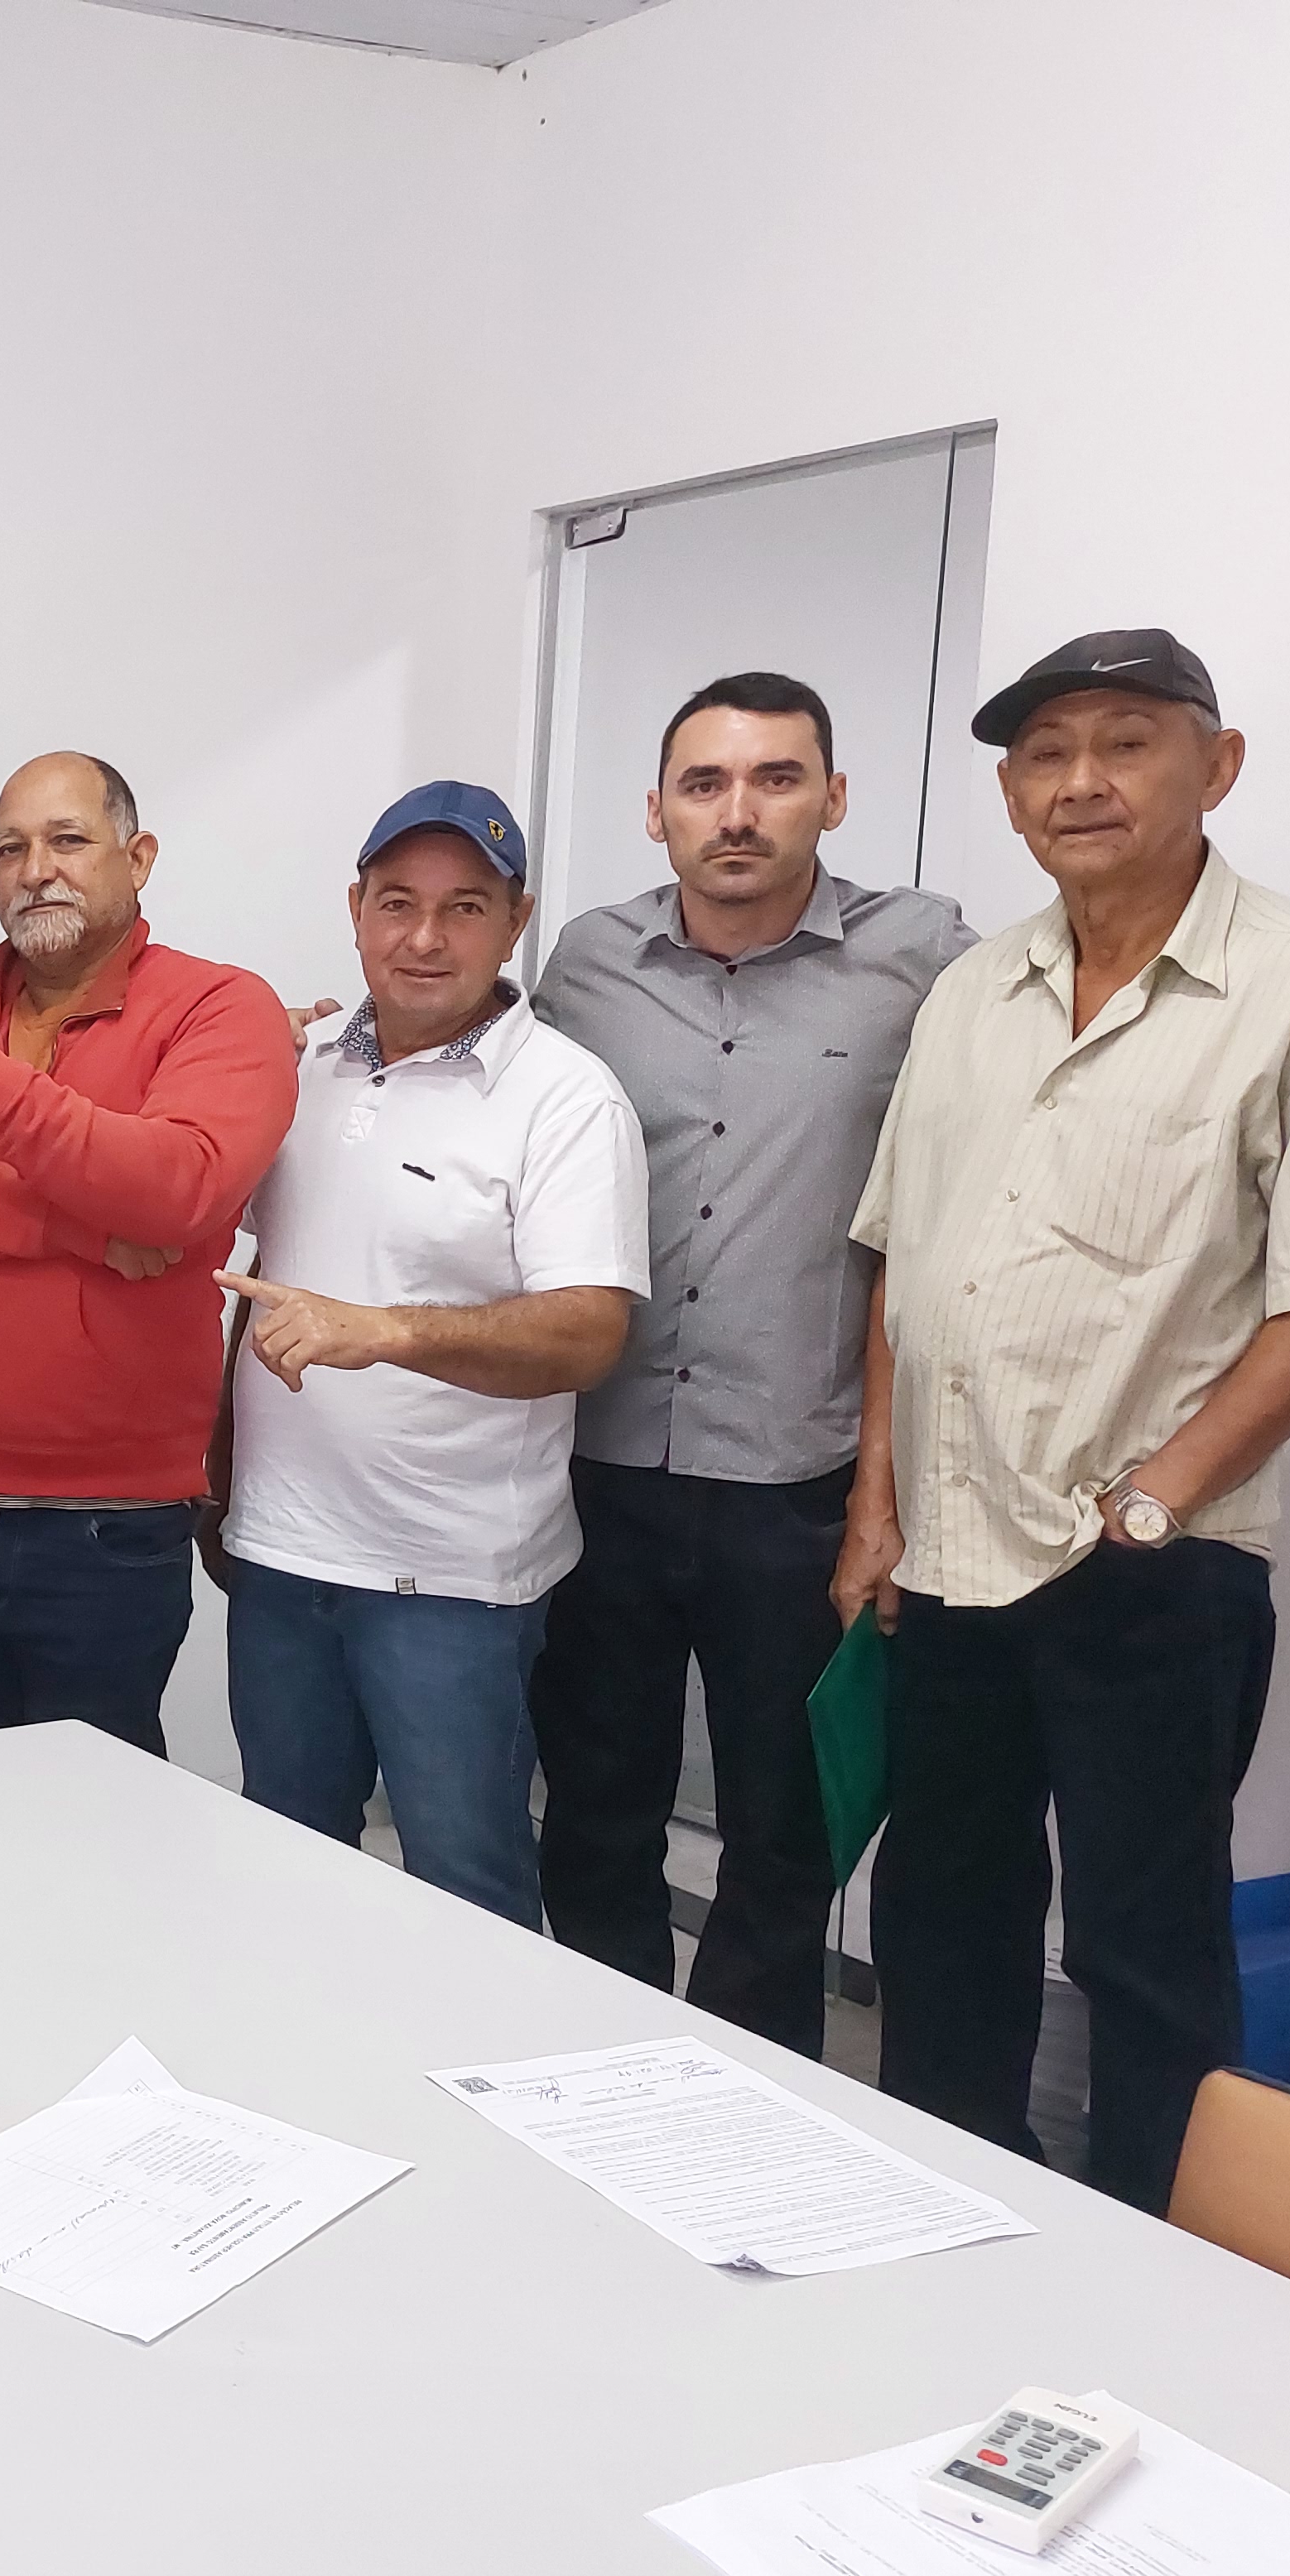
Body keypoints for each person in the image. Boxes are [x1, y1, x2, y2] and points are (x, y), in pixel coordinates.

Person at [844, 629, 1290, 2215]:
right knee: (938, 1919)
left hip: (1147, 1570)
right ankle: (953, 2212)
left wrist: (1155, 1497)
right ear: (1006, 793)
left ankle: (1155, 2260)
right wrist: (873, 1505)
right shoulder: (971, 991)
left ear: (1213, 765)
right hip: (948, 1554)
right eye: (1043, 754)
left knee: (1142, 1948)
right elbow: (906, 1259)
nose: (1079, 781)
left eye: (1123, 741)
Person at [522, 674, 974, 2049]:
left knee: (785, 1826)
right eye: (704, 783)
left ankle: (746, 2091)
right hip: (597, 1465)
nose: (737, 811)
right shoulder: (585, 964)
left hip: (797, 1479)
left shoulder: (926, 954)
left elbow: (1087, 1001)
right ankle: (605, 2065)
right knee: (593, 1800)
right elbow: (493, 1100)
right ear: (654, 810)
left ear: (831, 799)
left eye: (775, 778)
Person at [211, 783, 649, 1925]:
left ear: (517, 921)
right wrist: (214, 1478)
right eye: (397, 902)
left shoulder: (565, 1097)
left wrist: (388, 1332)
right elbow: (246, 1274)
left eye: (464, 908)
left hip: (451, 1582)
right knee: (284, 1880)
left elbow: (590, 1329)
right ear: (355, 908)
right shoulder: (298, 1064)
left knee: (466, 1897)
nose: (423, 938)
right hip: (282, 1557)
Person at [0, 752, 296, 1749]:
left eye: (67, 841)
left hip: (107, 1531)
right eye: (10, 849)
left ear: (139, 858)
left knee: (95, 1827)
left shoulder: (222, 1008)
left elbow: (176, 1186)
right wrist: (87, 1225)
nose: (35, 868)